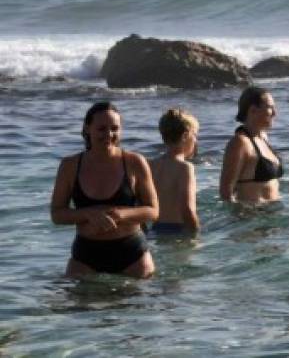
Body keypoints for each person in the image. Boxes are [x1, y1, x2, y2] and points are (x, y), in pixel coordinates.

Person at [50, 102, 158, 278]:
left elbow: (153, 211)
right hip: (85, 255)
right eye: (101, 128)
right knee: (71, 305)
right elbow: (57, 214)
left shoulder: (134, 162)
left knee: (139, 304)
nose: (109, 134)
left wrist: (120, 214)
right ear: (87, 129)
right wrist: (88, 214)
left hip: (132, 254)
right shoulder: (70, 166)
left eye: (115, 128)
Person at [219, 86, 284, 203]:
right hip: (251, 215)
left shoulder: (263, 137)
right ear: (253, 110)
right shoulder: (240, 143)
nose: (275, 113)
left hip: (271, 215)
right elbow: (226, 191)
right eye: (270, 108)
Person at [149, 108, 200, 235]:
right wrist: (197, 234)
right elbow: (187, 209)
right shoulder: (185, 168)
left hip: (155, 229)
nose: (196, 141)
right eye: (195, 135)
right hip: (178, 230)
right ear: (185, 136)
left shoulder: (152, 164)